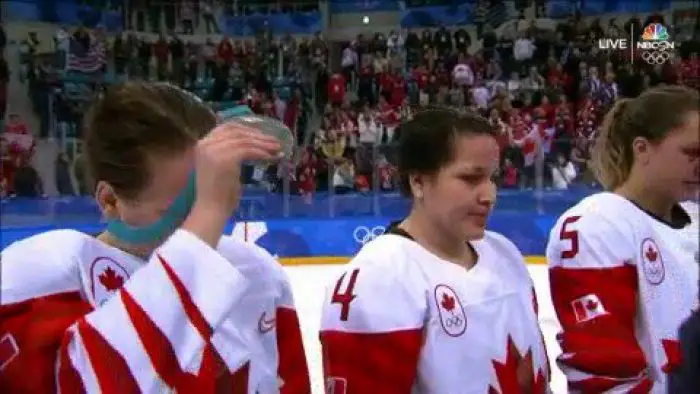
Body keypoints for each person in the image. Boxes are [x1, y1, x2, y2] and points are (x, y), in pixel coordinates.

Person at [0, 82, 310, 392]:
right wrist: (208, 212)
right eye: (178, 212)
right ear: (109, 201)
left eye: (212, 199)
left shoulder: (258, 276)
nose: (204, 229)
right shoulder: (40, 279)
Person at [320, 108, 550, 393]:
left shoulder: (504, 253)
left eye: (493, 178)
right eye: (470, 178)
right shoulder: (379, 277)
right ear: (418, 182)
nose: (489, 195)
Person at [546, 85, 699, 392]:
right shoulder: (596, 225)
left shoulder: (693, 217)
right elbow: (605, 375)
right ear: (641, 148)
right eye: (691, 152)